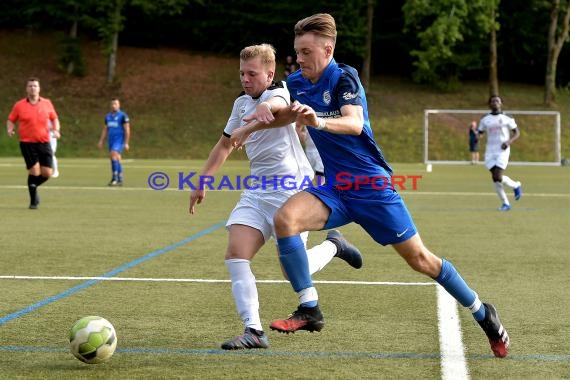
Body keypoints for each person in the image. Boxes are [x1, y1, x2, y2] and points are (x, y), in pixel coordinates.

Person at [230, 13, 510, 358]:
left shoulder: (343, 78)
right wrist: (247, 129)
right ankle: (310, 309)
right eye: (297, 52)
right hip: (336, 187)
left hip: (372, 188)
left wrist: (318, 120)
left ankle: (483, 313)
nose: (299, 59)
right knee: (285, 219)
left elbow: (354, 123)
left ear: (327, 49)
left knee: (421, 260)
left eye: (305, 52)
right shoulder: (299, 82)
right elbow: (287, 114)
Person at [188, 43, 362, 351]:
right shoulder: (241, 103)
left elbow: (279, 102)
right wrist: (202, 181)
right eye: (242, 73)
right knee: (236, 255)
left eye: (252, 73)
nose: (245, 79)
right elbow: (225, 145)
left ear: (269, 74)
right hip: (257, 191)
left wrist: (266, 108)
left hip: (291, 189)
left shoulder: (278, 91)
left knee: (291, 270)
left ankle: (334, 246)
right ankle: (253, 330)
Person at [6, 77, 61, 209]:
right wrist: (10, 128)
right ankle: (33, 201)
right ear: (26, 89)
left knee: (47, 173)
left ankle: (33, 186)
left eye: (35, 86)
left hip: (44, 142)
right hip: (27, 143)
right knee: (35, 171)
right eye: (30, 86)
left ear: (39, 88)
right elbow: (11, 119)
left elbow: (55, 118)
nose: (32, 88)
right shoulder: (19, 105)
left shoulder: (47, 103)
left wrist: (56, 130)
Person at [477, 95, 522, 211]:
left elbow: (517, 133)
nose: (495, 103)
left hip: (502, 150)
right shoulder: (485, 119)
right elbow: (480, 132)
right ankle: (506, 203)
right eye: (492, 101)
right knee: (496, 178)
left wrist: (508, 142)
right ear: (489, 104)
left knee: (497, 175)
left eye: (497, 101)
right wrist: (478, 137)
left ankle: (515, 185)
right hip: (490, 151)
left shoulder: (507, 117)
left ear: (501, 103)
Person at [98, 98, 130, 186]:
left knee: (113, 155)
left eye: (115, 104)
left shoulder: (123, 116)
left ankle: (114, 178)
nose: (114, 105)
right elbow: (105, 129)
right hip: (111, 140)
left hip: (119, 140)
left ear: (119, 105)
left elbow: (127, 129)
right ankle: (120, 178)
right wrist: (101, 141)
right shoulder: (107, 116)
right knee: (116, 158)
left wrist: (126, 142)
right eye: (112, 104)